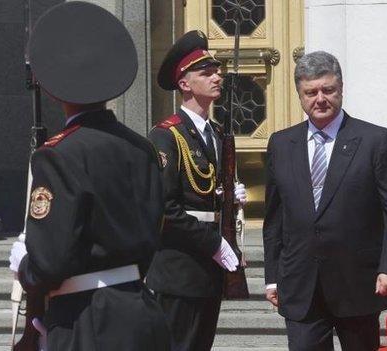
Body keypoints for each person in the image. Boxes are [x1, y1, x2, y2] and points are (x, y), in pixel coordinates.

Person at [8, 2, 170, 350]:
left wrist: (24, 265)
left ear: (52, 88)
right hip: (141, 309)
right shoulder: (141, 148)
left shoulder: (58, 155)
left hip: (88, 321)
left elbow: (51, 262)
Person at [263, 50, 387, 351]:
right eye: (311, 92)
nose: (320, 99)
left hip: (357, 283)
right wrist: (272, 277)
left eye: (328, 90)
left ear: (340, 89)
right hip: (301, 285)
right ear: (299, 95)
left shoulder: (375, 141)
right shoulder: (281, 143)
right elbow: (275, 218)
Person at [145, 30, 247, 351]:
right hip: (179, 270)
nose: (218, 77)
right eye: (207, 73)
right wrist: (214, 243)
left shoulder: (216, 133)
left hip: (208, 272)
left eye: (217, 71)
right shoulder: (166, 136)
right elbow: (165, 208)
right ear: (185, 84)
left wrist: (231, 199)